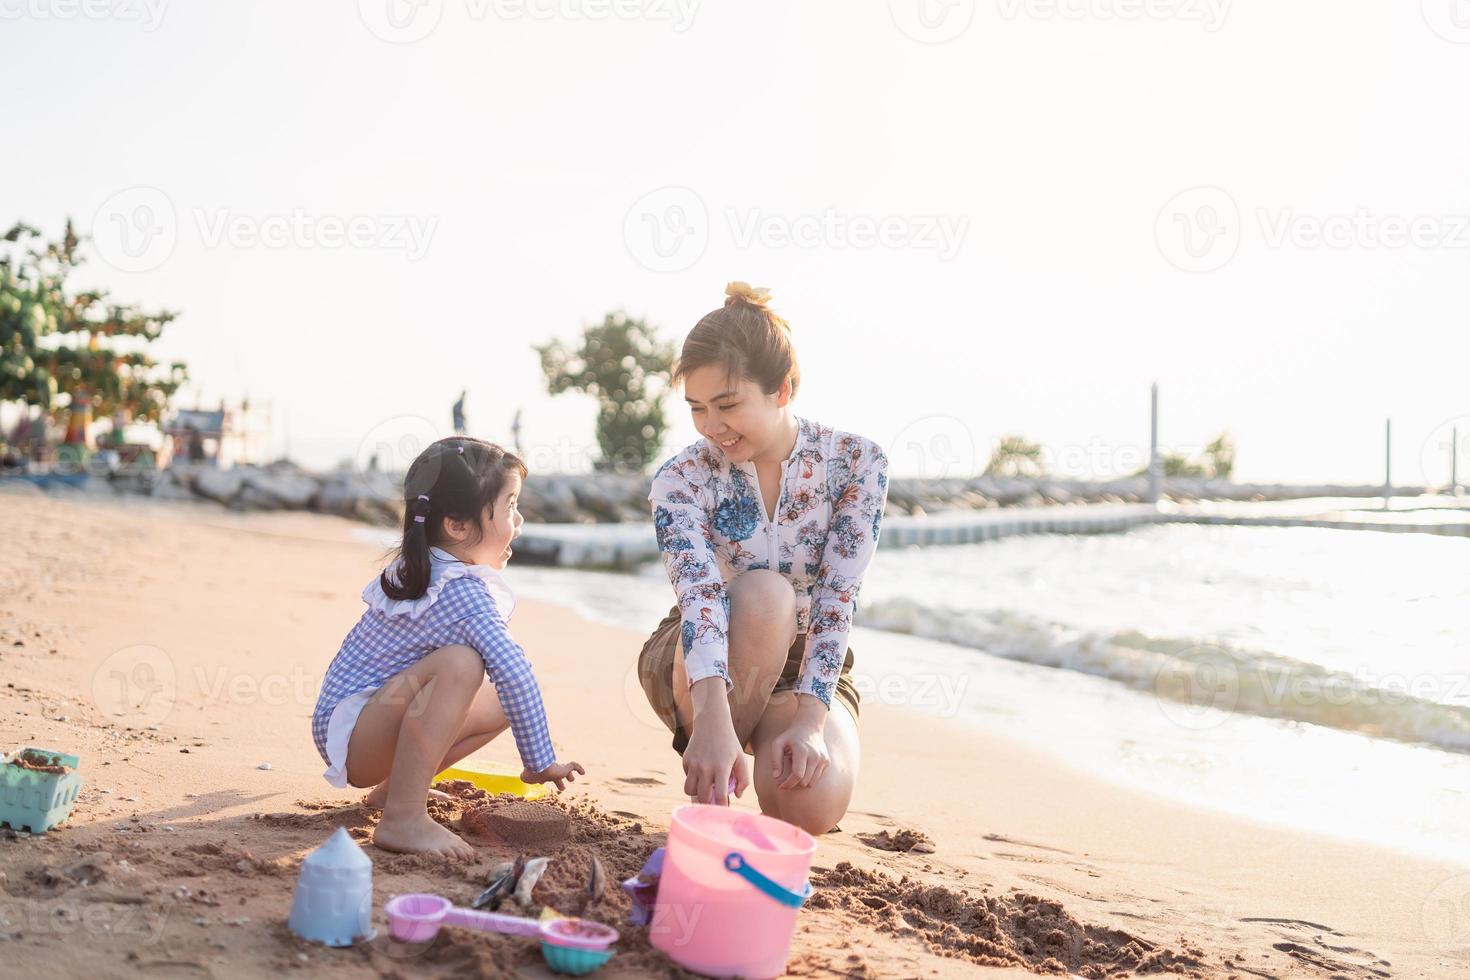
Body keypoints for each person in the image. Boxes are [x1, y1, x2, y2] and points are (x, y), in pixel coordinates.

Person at [639, 282, 889, 836]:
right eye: (697, 409)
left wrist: (810, 723)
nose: (710, 427)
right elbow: (700, 597)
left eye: (727, 405)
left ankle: (763, 753)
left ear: (783, 389)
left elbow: (836, 599)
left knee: (808, 804)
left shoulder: (855, 463)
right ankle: (709, 816)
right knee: (767, 594)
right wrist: (711, 720)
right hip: (702, 652)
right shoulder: (680, 479)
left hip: (805, 667)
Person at [311, 437, 583, 858]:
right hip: (356, 740)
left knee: (498, 702)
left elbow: (509, 687)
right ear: (456, 525)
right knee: (462, 665)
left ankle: (395, 792)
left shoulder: (428, 566)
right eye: (509, 506)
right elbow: (515, 670)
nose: (520, 519)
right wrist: (540, 762)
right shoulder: (461, 594)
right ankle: (402, 817)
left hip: (353, 728)